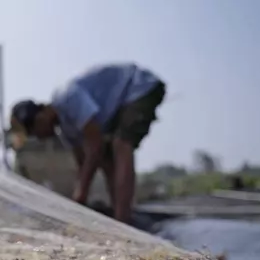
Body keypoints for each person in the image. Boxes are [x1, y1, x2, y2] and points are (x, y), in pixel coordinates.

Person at [9, 63, 166, 224]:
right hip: (117, 109)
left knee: (121, 144)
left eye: (35, 132)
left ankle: (124, 219)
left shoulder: (67, 98)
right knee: (107, 159)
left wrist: (81, 192)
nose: (40, 138)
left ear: (41, 117)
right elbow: (84, 163)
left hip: (138, 87)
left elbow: (95, 144)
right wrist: (80, 193)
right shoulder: (67, 131)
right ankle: (119, 215)